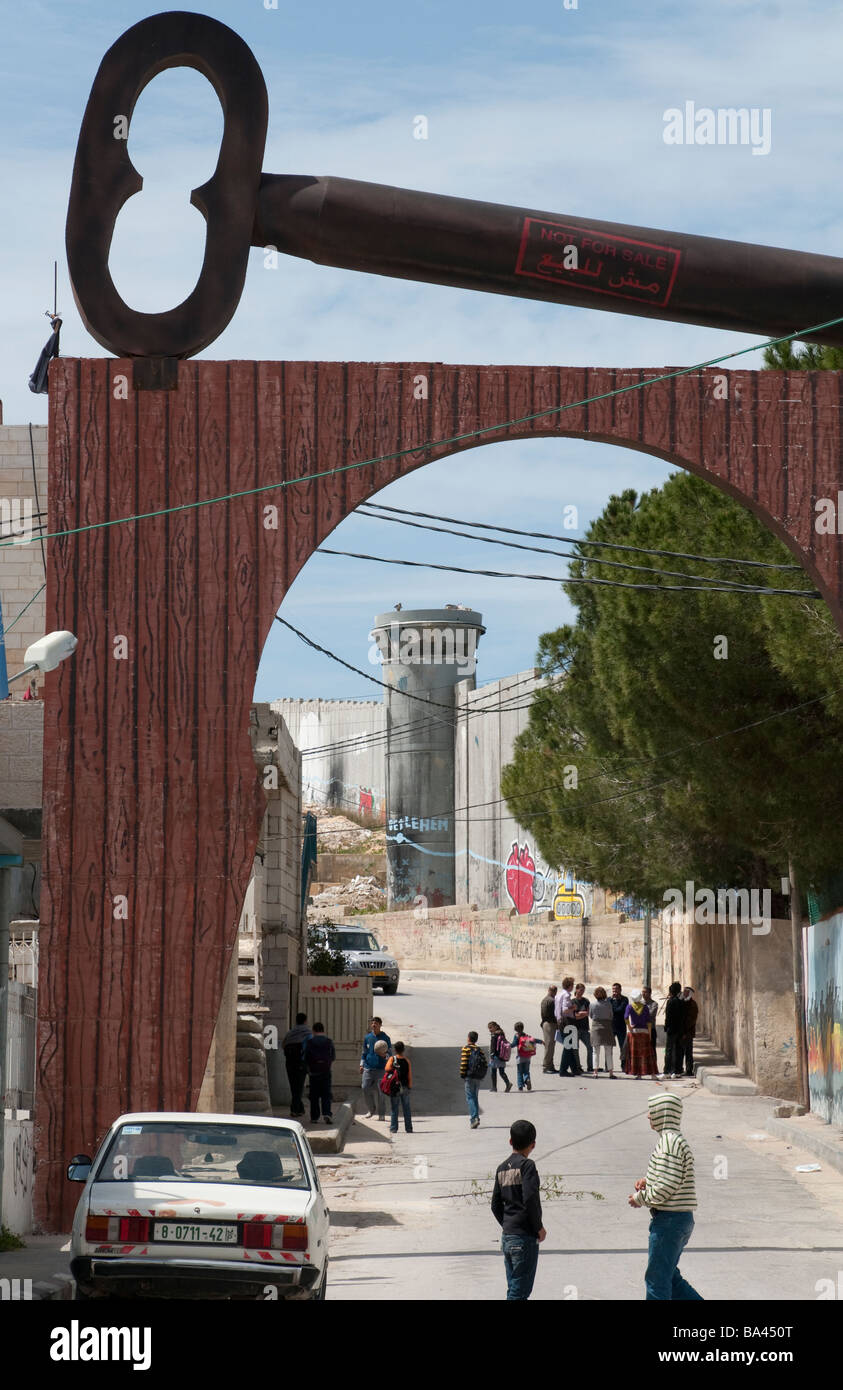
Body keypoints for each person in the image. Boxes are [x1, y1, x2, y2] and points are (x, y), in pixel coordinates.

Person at [628, 1092, 703, 1301]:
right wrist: (647, 1181)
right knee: (669, 1277)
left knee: (657, 1281)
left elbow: (666, 1186)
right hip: (679, 1219)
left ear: (664, 1113)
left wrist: (640, 1198)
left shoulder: (668, 1143)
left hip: (669, 1221)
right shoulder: (674, 1140)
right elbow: (670, 1177)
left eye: (652, 1112)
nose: (648, 1116)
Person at [491, 1119, 546, 1300]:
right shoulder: (527, 1166)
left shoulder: (501, 1169)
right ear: (533, 1145)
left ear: (510, 1142)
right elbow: (530, 1198)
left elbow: (495, 1204)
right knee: (519, 1292)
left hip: (508, 1237)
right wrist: (538, 1227)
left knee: (514, 1287)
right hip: (524, 1238)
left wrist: (508, 1223)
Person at [360, 1015, 392, 1120]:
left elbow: (390, 1055)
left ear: (380, 1025)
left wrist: (384, 1056)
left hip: (381, 1069)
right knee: (365, 1088)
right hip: (368, 1068)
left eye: (376, 1023)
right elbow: (364, 1052)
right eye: (372, 1023)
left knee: (381, 1092)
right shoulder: (367, 1038)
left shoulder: (385, 1038)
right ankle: (371, 1109)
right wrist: (361, 1064)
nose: (374, 1025)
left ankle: (381, 1114)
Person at [302, 1022, 335, 1124]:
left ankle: (314, 1117)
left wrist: (308, 1068)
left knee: (314, 1095)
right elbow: (333, 1056)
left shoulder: (310, 1042)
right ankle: (327, 1114)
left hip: (314, 1073)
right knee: (326, 1094)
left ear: (314, 1030)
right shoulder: (329, 1042)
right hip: (326, 1072)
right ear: (323, 1030)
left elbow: (305, 1057)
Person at [281, 1011, 311, 1118]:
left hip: (289, 1063)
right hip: (301, 1063)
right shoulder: (307, 1032)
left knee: (294, 1087)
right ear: (305, 1021)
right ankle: (294, 1110)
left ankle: (300, 1109)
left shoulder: (290, 1032)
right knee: (299, 1087)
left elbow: (283, 1045)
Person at [624, 992, 658, 1079]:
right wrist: (649, 1034)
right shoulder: (645, 1007)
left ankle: (639, 1074)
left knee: (636, 1054)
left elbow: (626, 1017)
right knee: (647, 1054)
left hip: (634, 1032)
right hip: (644, 1032)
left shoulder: (629, 1006)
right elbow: (649, 1021)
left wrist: (629, 1028)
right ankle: (653, 1074)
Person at [385, 1041, 413, 1134]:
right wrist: (409, 1086)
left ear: (395, 1050)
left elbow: (387, 1069)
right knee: (406, 1108)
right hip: (404, 1087)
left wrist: (394, 1067)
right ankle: (408, 1128)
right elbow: (409, 1075)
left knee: (394, 1108)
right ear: (403, 1050)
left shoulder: (392, 1059)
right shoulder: (407, 1061)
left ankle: (393, 1128)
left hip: (395, 1087)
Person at [460, 1030, 487, 1128]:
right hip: (478, 1077)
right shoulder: (480, 1050)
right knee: (475, 1097)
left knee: (470, 1098)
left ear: (468, 1038)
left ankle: (474, 1118)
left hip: (469, 1076)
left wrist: (462, 1074)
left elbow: (464, 1063)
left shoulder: (466, 1049)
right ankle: (476, 1118)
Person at [589, 987, 616, 1077]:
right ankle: (611, 1072)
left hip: (596, 1027)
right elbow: (611, 1016)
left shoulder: (592, 1004)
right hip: (607, 1027)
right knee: (608, 1051)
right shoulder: (608, 1004)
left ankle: (595, 1072)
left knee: (595, 1051)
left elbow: (591, 1016)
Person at [557, 994, 583, 1076]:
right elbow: (565, 1010)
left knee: (571, 1048)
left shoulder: (559, 997)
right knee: (568, 1047)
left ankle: (574, 1069)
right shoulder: (566, 997)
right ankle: (563, 1070)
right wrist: (573, 1008)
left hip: (567, 1024)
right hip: (567, 1024)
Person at [663, 982, 685, 1079]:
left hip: (671, 1030)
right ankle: (677, 1071)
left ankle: (667, 1071)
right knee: (678, 1050)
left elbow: (668, 1017)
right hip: (679, 1030)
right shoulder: (681, 1002)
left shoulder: (671, 1001)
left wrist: (666, 1027)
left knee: (669, 1050)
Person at [573, 983, 593, 1074]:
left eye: (583, 990)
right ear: (576, 990)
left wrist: (581, 1014)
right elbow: (575, 1016)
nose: (582, 992)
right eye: (581, 990)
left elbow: (589, 1012)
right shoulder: (572, 1002)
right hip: (575, 1029)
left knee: (590, 1047)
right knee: (576, 1049)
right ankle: (578, 1067)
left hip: (585, 1029)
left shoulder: (586, 1001)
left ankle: (590, 1066)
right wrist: (582, 1014)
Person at [512, 1021, 537, 1091]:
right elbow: (534, 1040)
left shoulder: (516, 1036)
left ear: (515, 1029)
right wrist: (541, 1042)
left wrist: (508, 1046)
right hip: (528, 1057)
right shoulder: (526, 1035)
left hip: (520, 1057)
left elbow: (514, 1044)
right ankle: (527, 1079)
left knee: (519, 1072)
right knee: (526, 1071)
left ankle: (520, 1086)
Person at [488, 1021, 513, 1092]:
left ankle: (494, 1087)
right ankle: (508, 1083)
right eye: (489, 1028)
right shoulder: (501, 1033)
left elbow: (493, 1046)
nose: (490, 1029)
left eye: (491, 1028)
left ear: (495, 1027)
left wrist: (492, 1054)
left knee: (493, 1072)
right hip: (502, 1056)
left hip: (495, 1056)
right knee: (502, 1072)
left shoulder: (494, 1035)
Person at [681, 987, 699, 1076]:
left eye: (686, 992)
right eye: (683, 991)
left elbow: (691, 1020)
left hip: (688, 1032)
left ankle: (689, 1070)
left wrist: (685, 1031)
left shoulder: (692, 1004)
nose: (683, 993)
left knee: (688, 1051)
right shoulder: (684, 1002)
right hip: (683, 1032)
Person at [540, 985, 558, 1073]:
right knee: (549, 1046)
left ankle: (550, 1065)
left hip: (546, 1023)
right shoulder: (551, 1001)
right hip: (550, 1024)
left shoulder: (545, 999)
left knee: (550, 1045)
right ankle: (546, 1066)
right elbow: (553, 1015)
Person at [610, 983, 629, 1063]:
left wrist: (613, 1008)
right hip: (611, 1027)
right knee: (609, 1048)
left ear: (620, 990)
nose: (615, 991)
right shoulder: (609, 999)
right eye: (613, 989)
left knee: (623, 1047)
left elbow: (620, 1010)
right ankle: (608, 1066)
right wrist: (612, 1001)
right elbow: (609, 1011)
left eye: (616, 989)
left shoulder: (625, 999)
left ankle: (624, 1065)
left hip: (621, 1026)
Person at [642, 986, 659, 1051]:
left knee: (652, 1049)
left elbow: (650, 1015)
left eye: (645, 992)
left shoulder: (654, 1004)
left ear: (649, 993)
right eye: (642, 992)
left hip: (651, 1029)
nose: (643, 994)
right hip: (642, 1029)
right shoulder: (640, 1003)